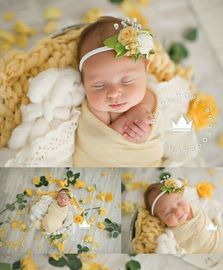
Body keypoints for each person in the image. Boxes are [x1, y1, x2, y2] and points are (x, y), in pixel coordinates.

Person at [73, 16, 198, 167]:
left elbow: (156, 131)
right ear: (84, 81)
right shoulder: (94, 108)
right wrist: (129, 121)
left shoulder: (150, 96)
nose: (114, 93)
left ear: (145, 70)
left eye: (126, 81)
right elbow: (100, 141)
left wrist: (144, 133)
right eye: (99, 85)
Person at [144, 176, 223, 253]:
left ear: (183, 198)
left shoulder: (194, 206)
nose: (178, 211)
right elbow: (177, 250)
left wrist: (219, 221)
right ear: (159, 218)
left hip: (222, 238)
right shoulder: (171, 234)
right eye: (168, 212)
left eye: (180, 203)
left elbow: (209, 214)